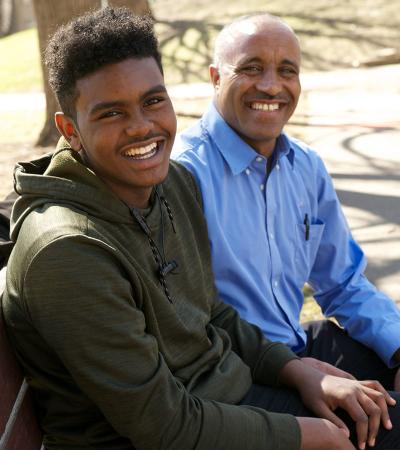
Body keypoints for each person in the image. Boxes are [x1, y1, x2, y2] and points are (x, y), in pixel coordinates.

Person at [2, 7, 400, 450]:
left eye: (153, 101)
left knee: (384, 411)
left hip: (230, 393)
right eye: (111, 113)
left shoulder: (170, 184)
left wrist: (299, 371)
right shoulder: (67, 251)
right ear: (69, 130)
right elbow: (164, 426)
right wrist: (309, 433)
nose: (141, 127)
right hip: (178, 429)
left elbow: (214, 312)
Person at [173, 13, 400, 392]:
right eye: (251, 68)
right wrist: (292, 370)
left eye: (287, 70)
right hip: (237, 376)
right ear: (215, 78)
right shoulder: (182, 176)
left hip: (299, 347)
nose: (270, 85)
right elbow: (188, 324)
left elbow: (342, 282)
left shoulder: (306, 166)